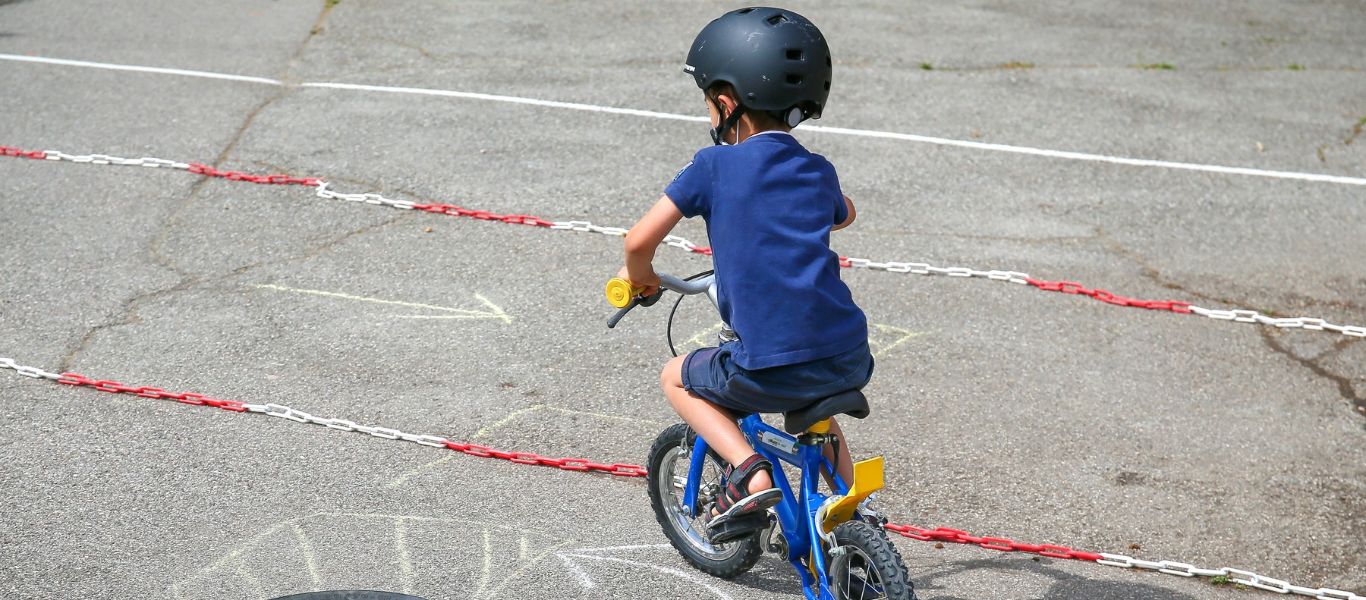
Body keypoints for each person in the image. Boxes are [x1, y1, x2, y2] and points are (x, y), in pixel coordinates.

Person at [617, 6, 871, 541]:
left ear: (727, 104)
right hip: (848, 354)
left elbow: (639, 240)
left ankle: (748, 472)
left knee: (678, 376)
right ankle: (855, 511)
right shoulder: (817, 168)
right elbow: (845, 213)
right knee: (816, 412)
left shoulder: (711, 167)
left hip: (770, 365)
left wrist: (641, 276)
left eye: (709, 105)